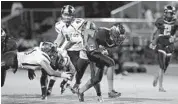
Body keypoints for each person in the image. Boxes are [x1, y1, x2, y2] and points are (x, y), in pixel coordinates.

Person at [76, 23, 126, 102]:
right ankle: (111, 91)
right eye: (118, 36)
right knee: (111, 63)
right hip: (91, 50)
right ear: (113, 32)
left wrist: (103, 50)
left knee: (96, 79)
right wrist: (86, 43)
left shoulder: (114, 41)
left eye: (121, 37)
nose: (119, 39)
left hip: (97, 53)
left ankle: (80, 91)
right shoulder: (102, 32)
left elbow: (105, 46)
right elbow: (86, 32)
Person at [1, 45, 73, 100]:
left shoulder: (38, 50)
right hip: (10, 60)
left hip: (11, 56)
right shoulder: (43, 58)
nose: (54, 57)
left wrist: (30, 69)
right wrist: (63, 75)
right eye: (54, 55)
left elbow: (29, 57)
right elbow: (51, 72)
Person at [47, 5, 89, 95]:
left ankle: (67, 83)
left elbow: (88, 32)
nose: (66, 17)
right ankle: (50, 88)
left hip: (80, 49)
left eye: (69, 15)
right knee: (58, 67)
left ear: (73, 15)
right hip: (67, 49)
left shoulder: (79, 23)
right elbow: (60, 37)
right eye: (65, 15)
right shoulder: (59, 25)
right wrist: (55, 45)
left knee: (75, 71)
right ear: (62, 14)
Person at [150, 5, 178, 92]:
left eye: (172, 13)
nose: (171, 15)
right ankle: (160, 87)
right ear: (165, 13)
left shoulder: (176, 22)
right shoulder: (160, 21)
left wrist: (175, 38)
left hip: (170, 44)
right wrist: (152, 42)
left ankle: (157, 76)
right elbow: (153, 32)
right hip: (161, 42)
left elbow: (177, 36)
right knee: (162, 66)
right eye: (170, 13)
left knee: (165, 66)